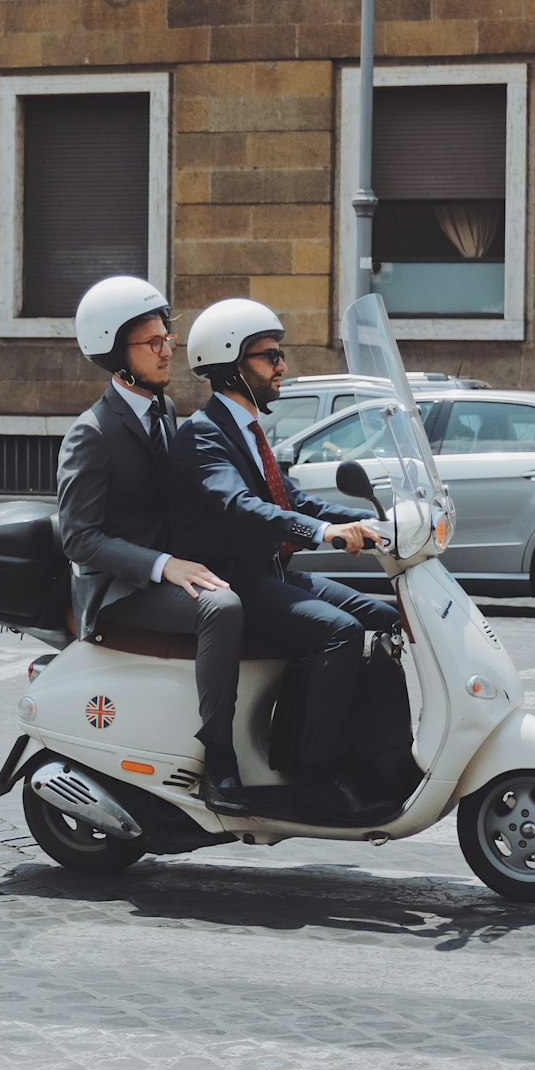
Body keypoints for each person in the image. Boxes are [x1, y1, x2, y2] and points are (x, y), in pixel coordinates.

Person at [169, 297, 396, 819]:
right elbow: (240, 505)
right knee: (341, 631)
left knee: (384, 618)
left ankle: (379, 754)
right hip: (235, 579)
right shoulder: (203, 435)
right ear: (231, 364)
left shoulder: (247, 429)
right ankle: (313, 774)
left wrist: (368, 522)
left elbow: (288, 497)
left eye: (279, 355)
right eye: (270, 357)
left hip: (271, 570)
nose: (282, 368)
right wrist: (322, 532)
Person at [57, 276, 245, 810]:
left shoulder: (162, 409)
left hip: (161, 571)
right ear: (116, 354)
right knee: (221, 607)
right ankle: (218, 760)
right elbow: (78, 537)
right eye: (153, 343)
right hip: (118, 591)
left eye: (167, 338)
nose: (168, 351)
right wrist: (165, 565)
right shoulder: (92, 433)